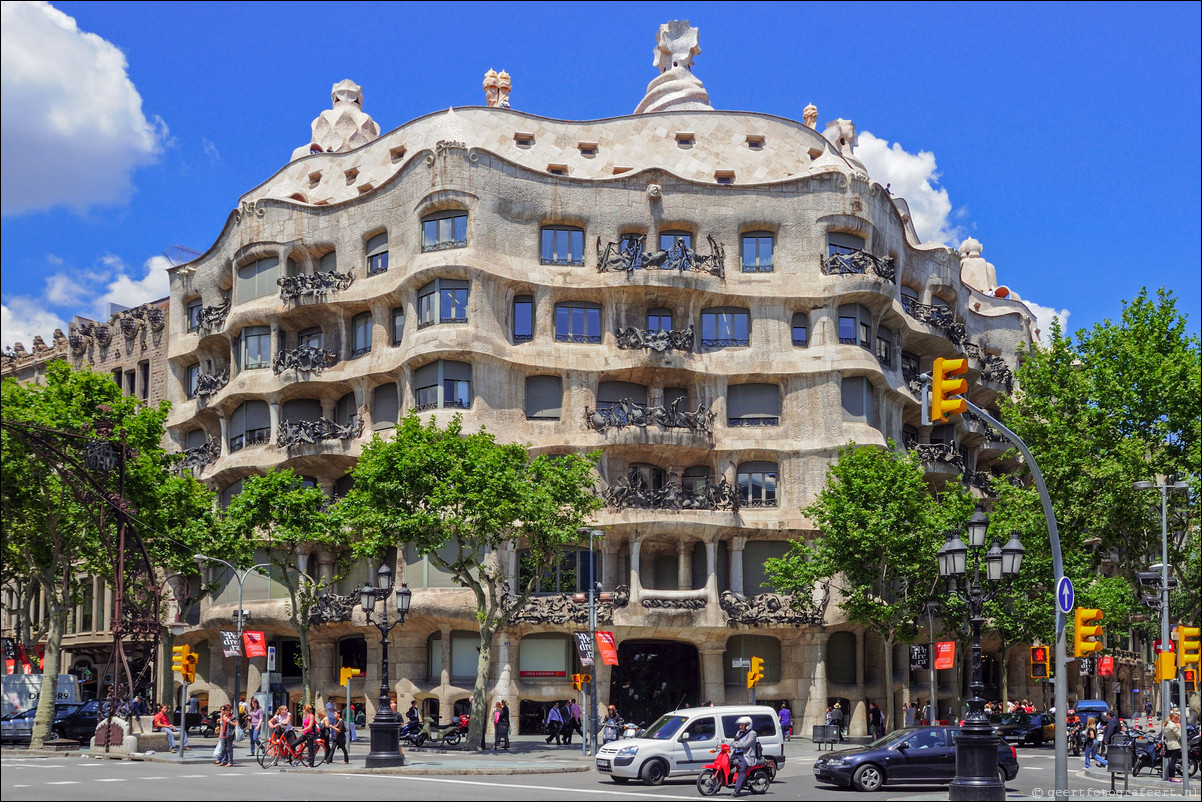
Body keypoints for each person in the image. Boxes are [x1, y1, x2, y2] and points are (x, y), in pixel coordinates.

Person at [730, 715, 759, 797]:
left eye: (742, 725)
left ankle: (737, 790)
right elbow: (733, 743)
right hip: (736, 753)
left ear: (748, 725)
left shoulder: (752, 733)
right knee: (726, 764)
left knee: (742, 770)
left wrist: (737, 744)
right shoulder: (739, 732)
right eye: (740, 725)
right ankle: (717, 785)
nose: (740, 726)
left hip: (746, 755)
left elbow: (745, 745)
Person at [1162, 709, 1182, 782]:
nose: (1179, 720)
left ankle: (1171, 777)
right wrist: (1179, 728)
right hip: (1175, 744)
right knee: (1173, 761)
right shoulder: (1173, 726)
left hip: (1169, 743)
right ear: (1174, 719)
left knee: (1172, 760)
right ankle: (1172, 777)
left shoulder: (1166, 725)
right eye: (1178, 719)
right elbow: (1180, 735)